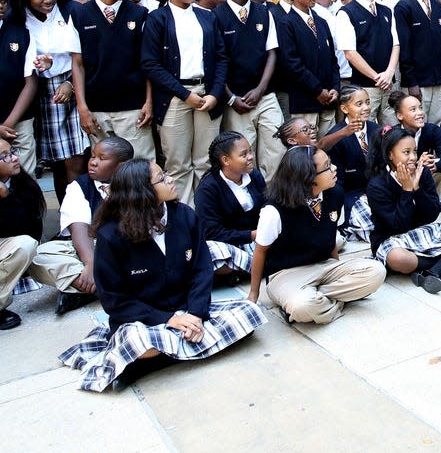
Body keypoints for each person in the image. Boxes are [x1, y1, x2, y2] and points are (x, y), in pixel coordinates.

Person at [58, 158, 266, 392]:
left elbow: (202, 270)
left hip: (186, 310)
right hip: (144, 320)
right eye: (162, 178)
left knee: (250, 314)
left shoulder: (185, 215)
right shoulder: (111, 235)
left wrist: (195, 314)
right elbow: (115, 300)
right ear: (142, 192)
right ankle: (162, 354)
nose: (171, 180)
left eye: (165, 174)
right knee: (138, 342)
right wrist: (168, 320)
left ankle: (150, 362)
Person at [248, 146, 385, 323]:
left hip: (323, 265)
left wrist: (338, 269)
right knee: (302, 306)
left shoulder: (335, 193)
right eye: (327, 167)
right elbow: (260, 251)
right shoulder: (274, 210)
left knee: (376, 271)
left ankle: (322, 300)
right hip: (285, 275)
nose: (334, 168)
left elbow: (330, 237)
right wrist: (254, 294)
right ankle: (334, 300)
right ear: (308, 178)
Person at [140, 0, 229, 205]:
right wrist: (184, 94)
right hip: (174, 96)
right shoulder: (157, 19)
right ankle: (183, 215)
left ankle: (205, 213)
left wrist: (215, 93)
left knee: (206, 160)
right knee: (177, 163)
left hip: (207, 93)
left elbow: (221, 58)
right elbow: (150, 64)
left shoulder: (207, 16)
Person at [366, 127, 441, 294]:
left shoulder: (423, 173)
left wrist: (418, 188)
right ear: (390, 155)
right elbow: (399, 225)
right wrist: (407, 191)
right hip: (393, 239)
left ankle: (433, 272)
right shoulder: (377, 185)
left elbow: (431, 215)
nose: (413, 157)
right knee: (398, 259)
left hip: (422, 232)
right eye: (406, 152)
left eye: (414, 151)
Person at [9, 0, 90, 202]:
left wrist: (70, 85)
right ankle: (66, 220)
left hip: (73, 86)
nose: (47, 0)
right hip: (39, 92)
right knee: (57, 161)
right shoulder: (18, 20)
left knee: (76, 158)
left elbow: (83, 58)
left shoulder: (70, 11)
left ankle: (81, 214)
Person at [31, 137, 134, 314]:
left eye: (102, 159)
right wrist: (91, 263)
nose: (93, 162)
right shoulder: (79, 186)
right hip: (93, 248)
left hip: (129, 248)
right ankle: (105, 287)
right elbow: (79, 227)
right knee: (37, 255)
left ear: (120, 165)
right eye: (93, 156)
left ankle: (86, 290)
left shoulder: (137, 182)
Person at [71, 0, 155, 160]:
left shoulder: (139, 14)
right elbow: (78, 64)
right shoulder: (79, 15)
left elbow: (148, 63)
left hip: (133, 109)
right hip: (96, 109)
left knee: (140, 166)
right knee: (104, 169)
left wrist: (148, 101)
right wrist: (82, 108)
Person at [215, 0, 283, 183]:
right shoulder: (216, 16)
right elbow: (216, 62)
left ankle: (270, 196)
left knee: (277, 149)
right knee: (242, 155)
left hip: (265, 95)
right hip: (236, 99)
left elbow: (272, 53)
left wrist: (261, 89)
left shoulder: (264, 12)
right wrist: (231, 98)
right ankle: (248, 196)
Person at [194, 131, 266, 283]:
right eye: (243, 154)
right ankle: (262, 267)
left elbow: (268, 206)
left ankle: (250, 270)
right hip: (230, 245)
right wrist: (251, 235)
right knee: (210, 252)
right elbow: (211, 232)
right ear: (226, 160)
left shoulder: (255, 176)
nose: (250, 157)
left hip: (260, 241)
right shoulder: (208, 189)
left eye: (250, 152)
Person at [276, 0, 340, 136]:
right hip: (305, 100)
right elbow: (292, 64)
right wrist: (318, 90)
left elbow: (333, 59)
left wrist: (335, 87)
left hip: (329, 100)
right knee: (307, 149)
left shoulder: (321, 21)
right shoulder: (286, 23)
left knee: (328, 148)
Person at [336, 0, 399, 126]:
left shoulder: (386, 10)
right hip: (364, 87)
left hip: (389, 85)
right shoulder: (346, 12)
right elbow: (350, 52)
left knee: (392, 133)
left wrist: (389, 73)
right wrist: (376, 77)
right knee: (365, 131)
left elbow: (396, 44)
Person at [395, 0, 441, 125]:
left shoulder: (436, 4)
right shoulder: (403, 6)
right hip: (417, 82)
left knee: (436, 123)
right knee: (415, 124)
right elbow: (404, 48)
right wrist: (411, 81)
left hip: (437, 79)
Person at [0, 138, 44, 330]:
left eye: (12, 151)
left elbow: (28, 230)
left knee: (26, 245)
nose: (15, 158)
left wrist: (6, 199)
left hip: (7, 246)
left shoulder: (24, 185)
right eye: (5, 156)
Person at [326, 85, 379, 228]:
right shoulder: (336, 137)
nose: (366, 108)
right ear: (344, 109)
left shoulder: (376, 130)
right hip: (352, 194)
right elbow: (337, 182)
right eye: (359, 104)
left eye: (368, 102)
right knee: (370, 224)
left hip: (377, 189)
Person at [0, 0, 38, 176]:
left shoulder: (22, 33)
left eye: (3, 1)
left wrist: (7, 124)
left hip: (18, 121)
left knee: (24, 175)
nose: (1, 5)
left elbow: (30, 83)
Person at [389, 91, 441, 193]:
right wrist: (417, 164)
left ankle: (432, 200)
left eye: (420, 108)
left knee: (440, 169)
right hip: (400, 175)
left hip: (425, 173)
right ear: (399, 115)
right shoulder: (392, 134)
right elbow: (384, 164)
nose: (420, 113)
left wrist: (432, 164)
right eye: (413, 110)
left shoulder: (433, 130)